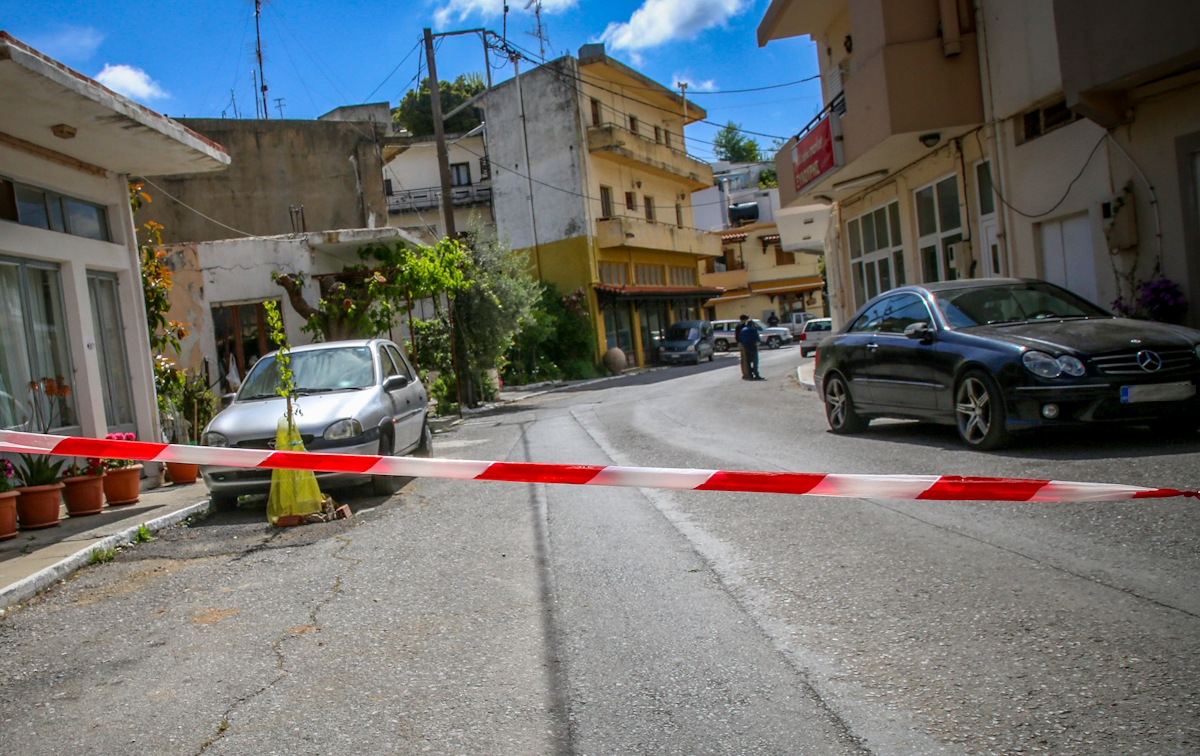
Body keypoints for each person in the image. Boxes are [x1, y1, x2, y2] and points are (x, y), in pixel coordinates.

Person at [737, 314, 763, 380]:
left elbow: (740, 338)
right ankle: (756, 373)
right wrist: (758, 342)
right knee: (755, 361)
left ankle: (749, 374)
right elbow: (757, 338)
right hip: (752, 346)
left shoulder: (743, 330)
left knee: (747, 361)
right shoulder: (753, 329)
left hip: (745, 347)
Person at [735, 314, 750, 379]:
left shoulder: (737, 326)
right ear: (744, 320)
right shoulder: (743, 326)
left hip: (739, 343)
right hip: (743, 343)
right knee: (745, 359)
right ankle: (746, 374)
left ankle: (744, 373)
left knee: (743, 358)